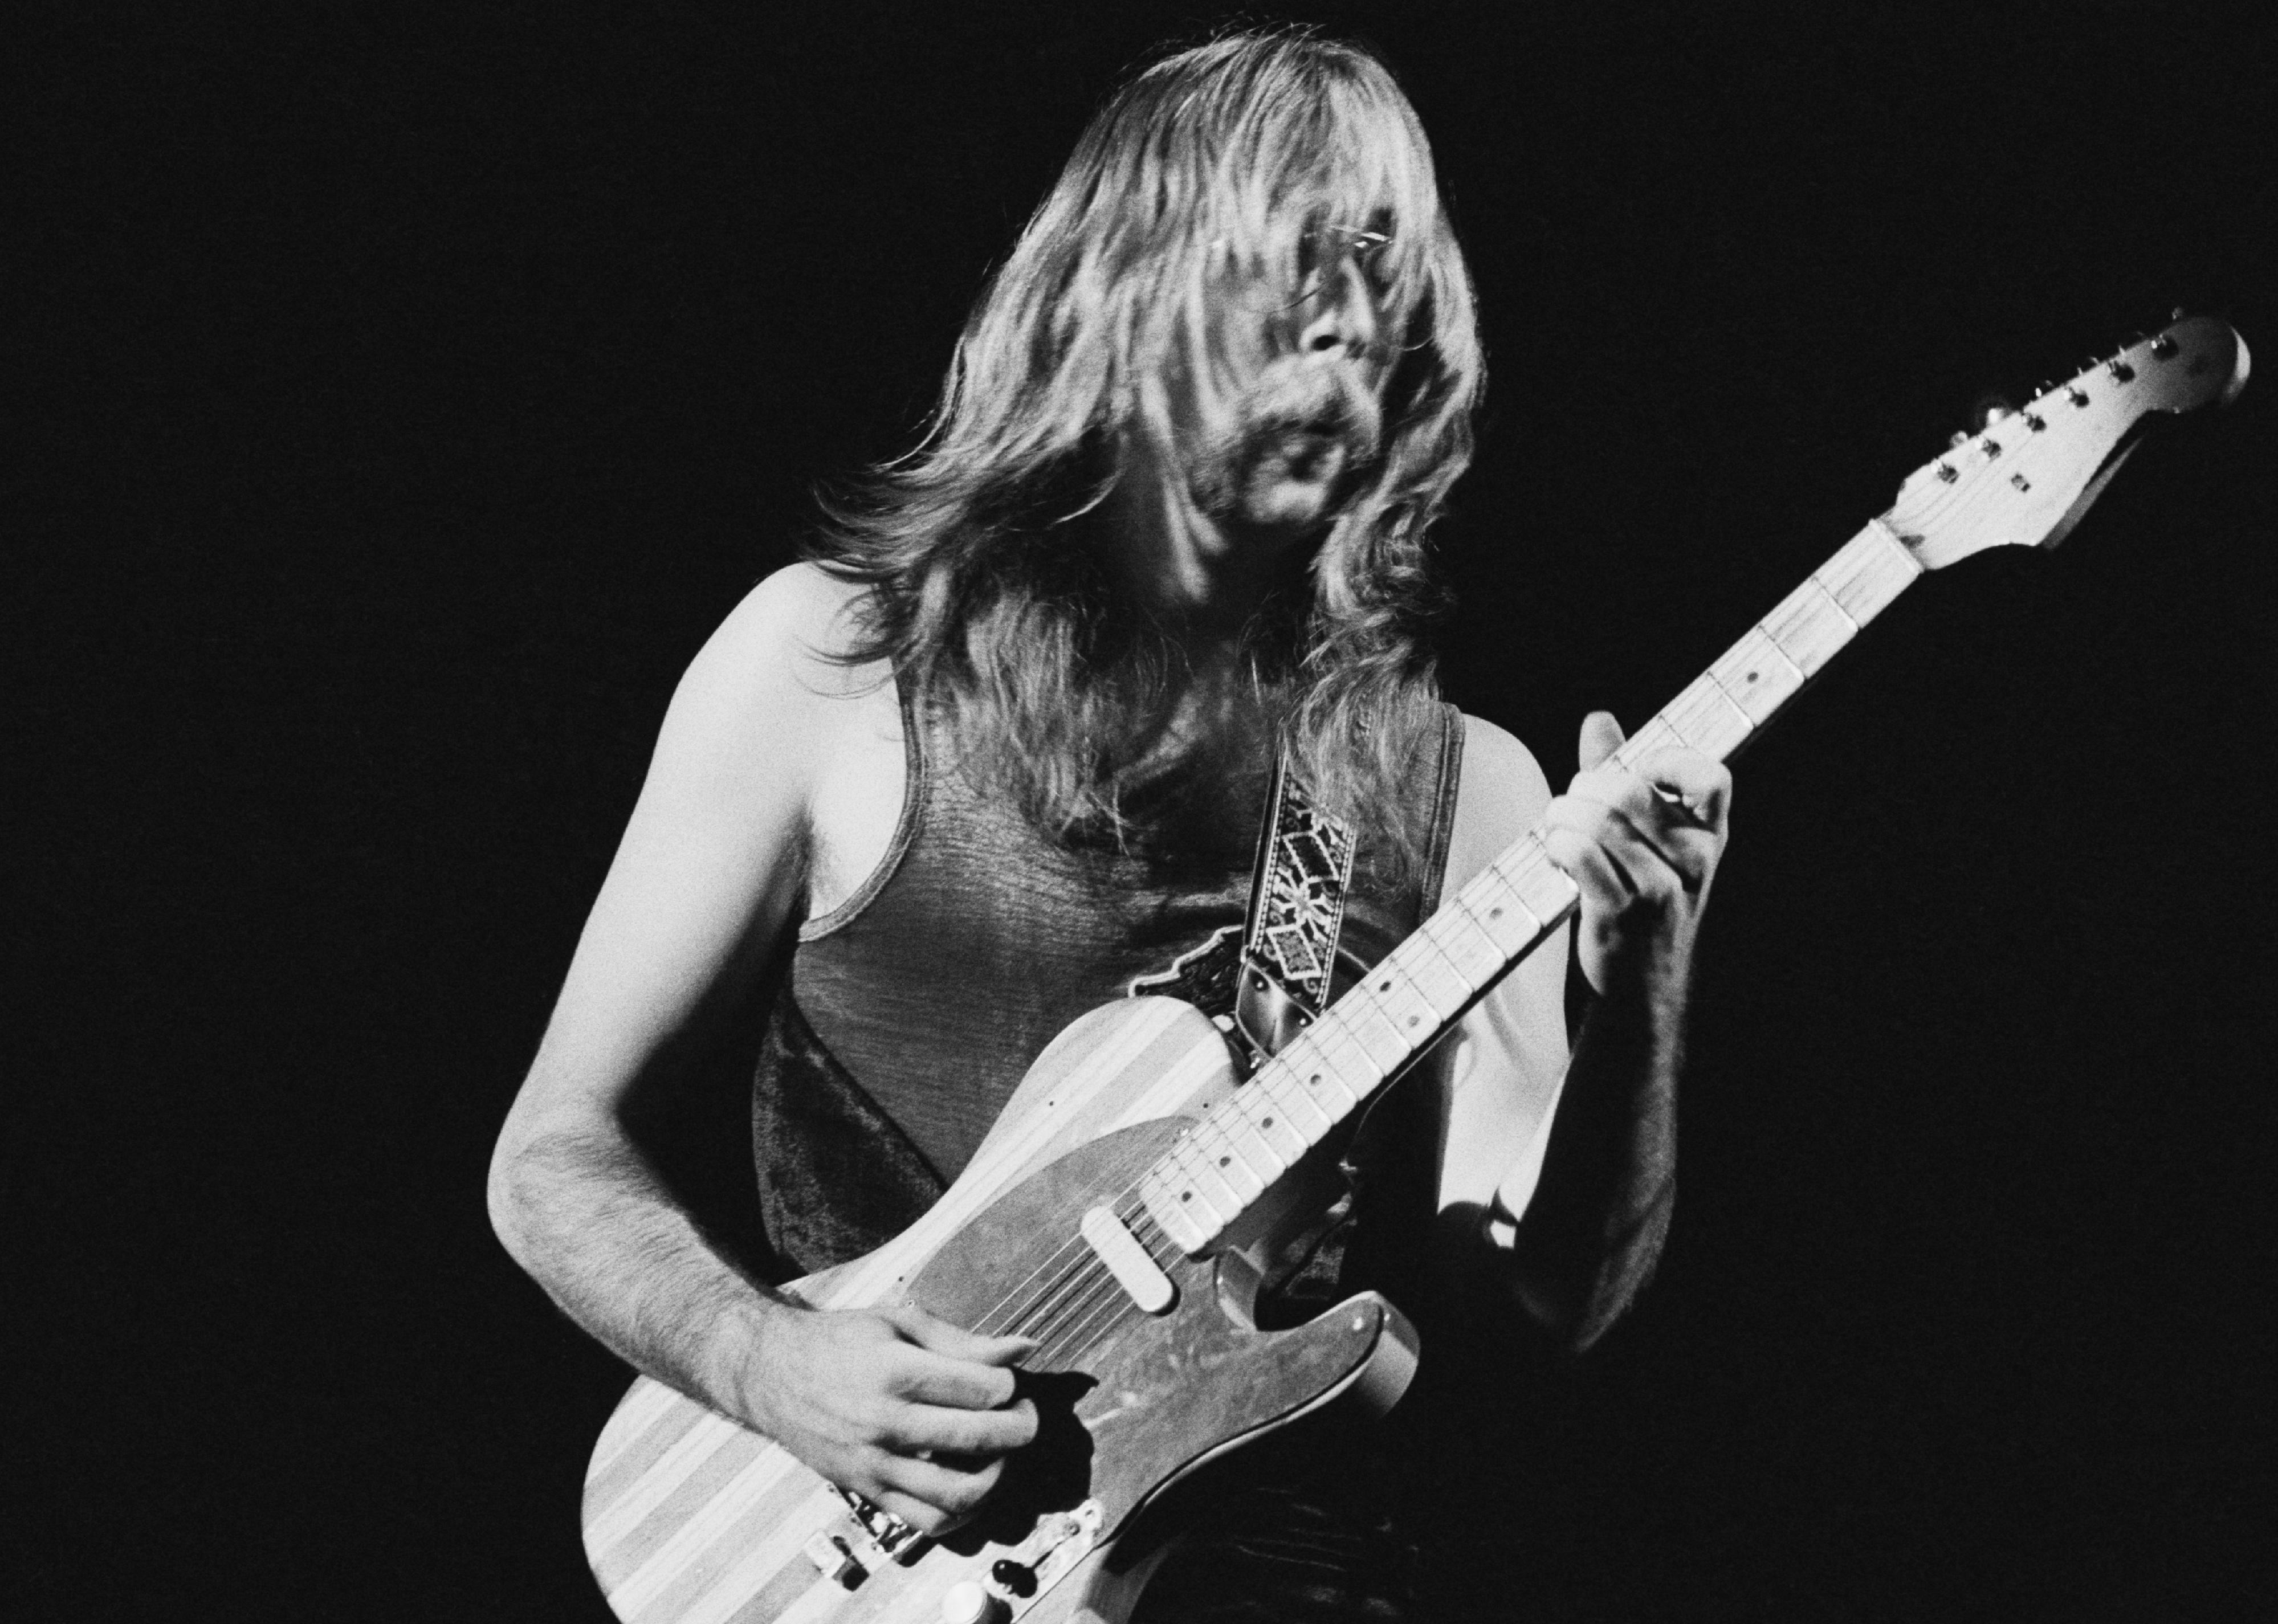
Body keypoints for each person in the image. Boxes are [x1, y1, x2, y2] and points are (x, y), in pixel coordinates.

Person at [489, 27, 1731, 1621]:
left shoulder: (1461, 784)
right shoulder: (831, 671)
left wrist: (1646, 993)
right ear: (1131, 279)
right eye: (1300, 254)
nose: (1355, 321)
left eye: (1388, 274)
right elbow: (548, 1157)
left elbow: (1549, 1301)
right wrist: (770, 1361)